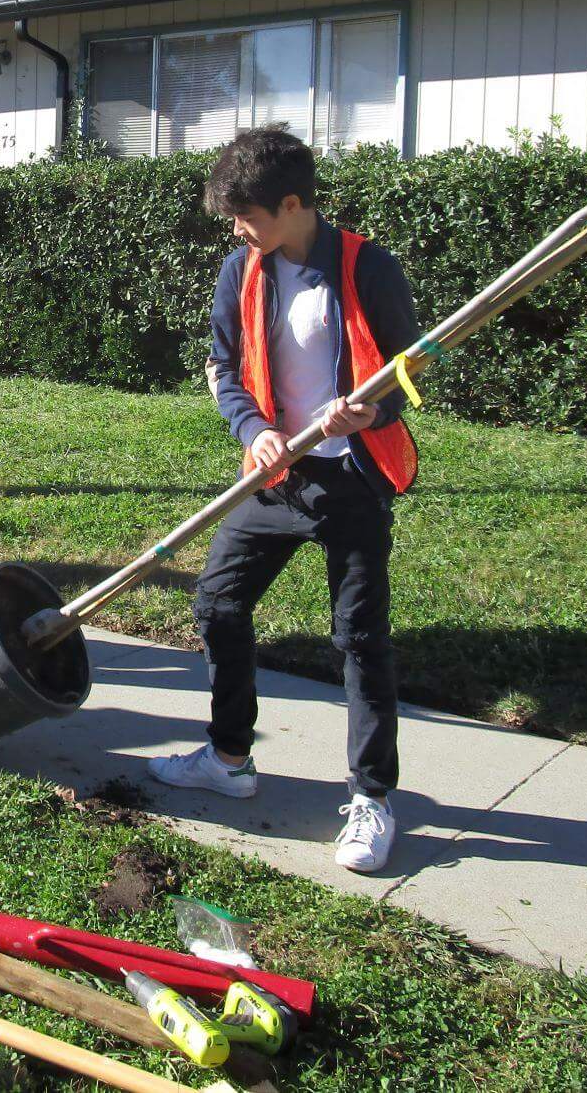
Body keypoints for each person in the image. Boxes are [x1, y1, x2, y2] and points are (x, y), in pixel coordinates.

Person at [146, 126, 420, 875]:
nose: (238, 229)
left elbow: (408, 369)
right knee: (217, 604)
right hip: (277, 478)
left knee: (359, 639)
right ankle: (230, 757)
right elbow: (222, 367)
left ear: (293, 205)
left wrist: (372, 412)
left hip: (352, 480)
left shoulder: (369, 268)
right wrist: (255, 428)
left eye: (249, 215)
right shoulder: (242, 270)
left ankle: (372, 798)